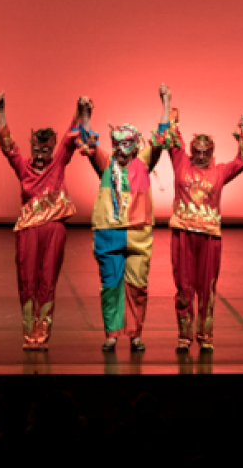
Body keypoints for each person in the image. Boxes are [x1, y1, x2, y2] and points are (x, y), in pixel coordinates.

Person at [153, 86, 243, 353]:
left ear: (211, 151)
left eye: (204, 152)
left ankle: (206, 336)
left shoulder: (219, 172)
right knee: (184, 287)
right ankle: (184, 335)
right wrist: (166, 102)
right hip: (183, 235)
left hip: (210, 237)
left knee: (207, 289)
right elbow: (168, 134)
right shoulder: (180, 162)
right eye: (196, 151)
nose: (199, 155)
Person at [79, 84, 171, 352]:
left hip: (138, 233)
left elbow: (162, 136)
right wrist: (85, 113)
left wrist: (166, 101)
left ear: (135, 146)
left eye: (125, 144)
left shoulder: (143, 162)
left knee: (137, 286)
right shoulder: (106, 163)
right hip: (108, 233)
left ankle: (135, 333)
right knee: (110, 285)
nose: (120, 150)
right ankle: (111, 333)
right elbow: (88, 140)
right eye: (116, 144)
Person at [0, 95, 87, 350]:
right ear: (32, 147)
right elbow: (7, 145)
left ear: (52, 148)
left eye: (46, 149)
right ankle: (28, 334)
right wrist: (1, 112)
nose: (41, 153)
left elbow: (71, 137)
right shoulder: (23, 167)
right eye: (37, 148)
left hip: (54, 228)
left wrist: (78, 110)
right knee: (27, 280)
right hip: (27, 230)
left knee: (48, 280)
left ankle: (42, 335)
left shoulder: (57, 164)